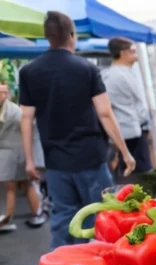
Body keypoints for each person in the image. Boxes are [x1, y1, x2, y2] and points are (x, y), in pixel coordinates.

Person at [18, 11, 135, 249]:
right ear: (72, 36)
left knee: (63, 218)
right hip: (91, 157)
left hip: (56, 161)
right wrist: (125, 151)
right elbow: (104, 113)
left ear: (47, 37)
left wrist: (29, 160)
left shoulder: (29, 71)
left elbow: (26, 118)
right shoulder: (86, 69)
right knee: (103, 217)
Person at [102, 37, 152, 184]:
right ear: (123, 53)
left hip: (136, 129)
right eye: (133, 51)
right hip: (126, 132)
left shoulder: (128, 72)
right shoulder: (112, 76)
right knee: (132, 177)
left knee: (141, 174)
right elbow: (107, 107)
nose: (136, 55)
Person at [0, 81, 46, 232]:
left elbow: (29, 127)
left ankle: (13, 217)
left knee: (21, 186)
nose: (2, 95)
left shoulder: (14, 110)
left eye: (4, 92)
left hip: (16, 152)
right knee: (16, 186)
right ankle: (11, 217)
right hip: (10, 153)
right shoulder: (9, 109)